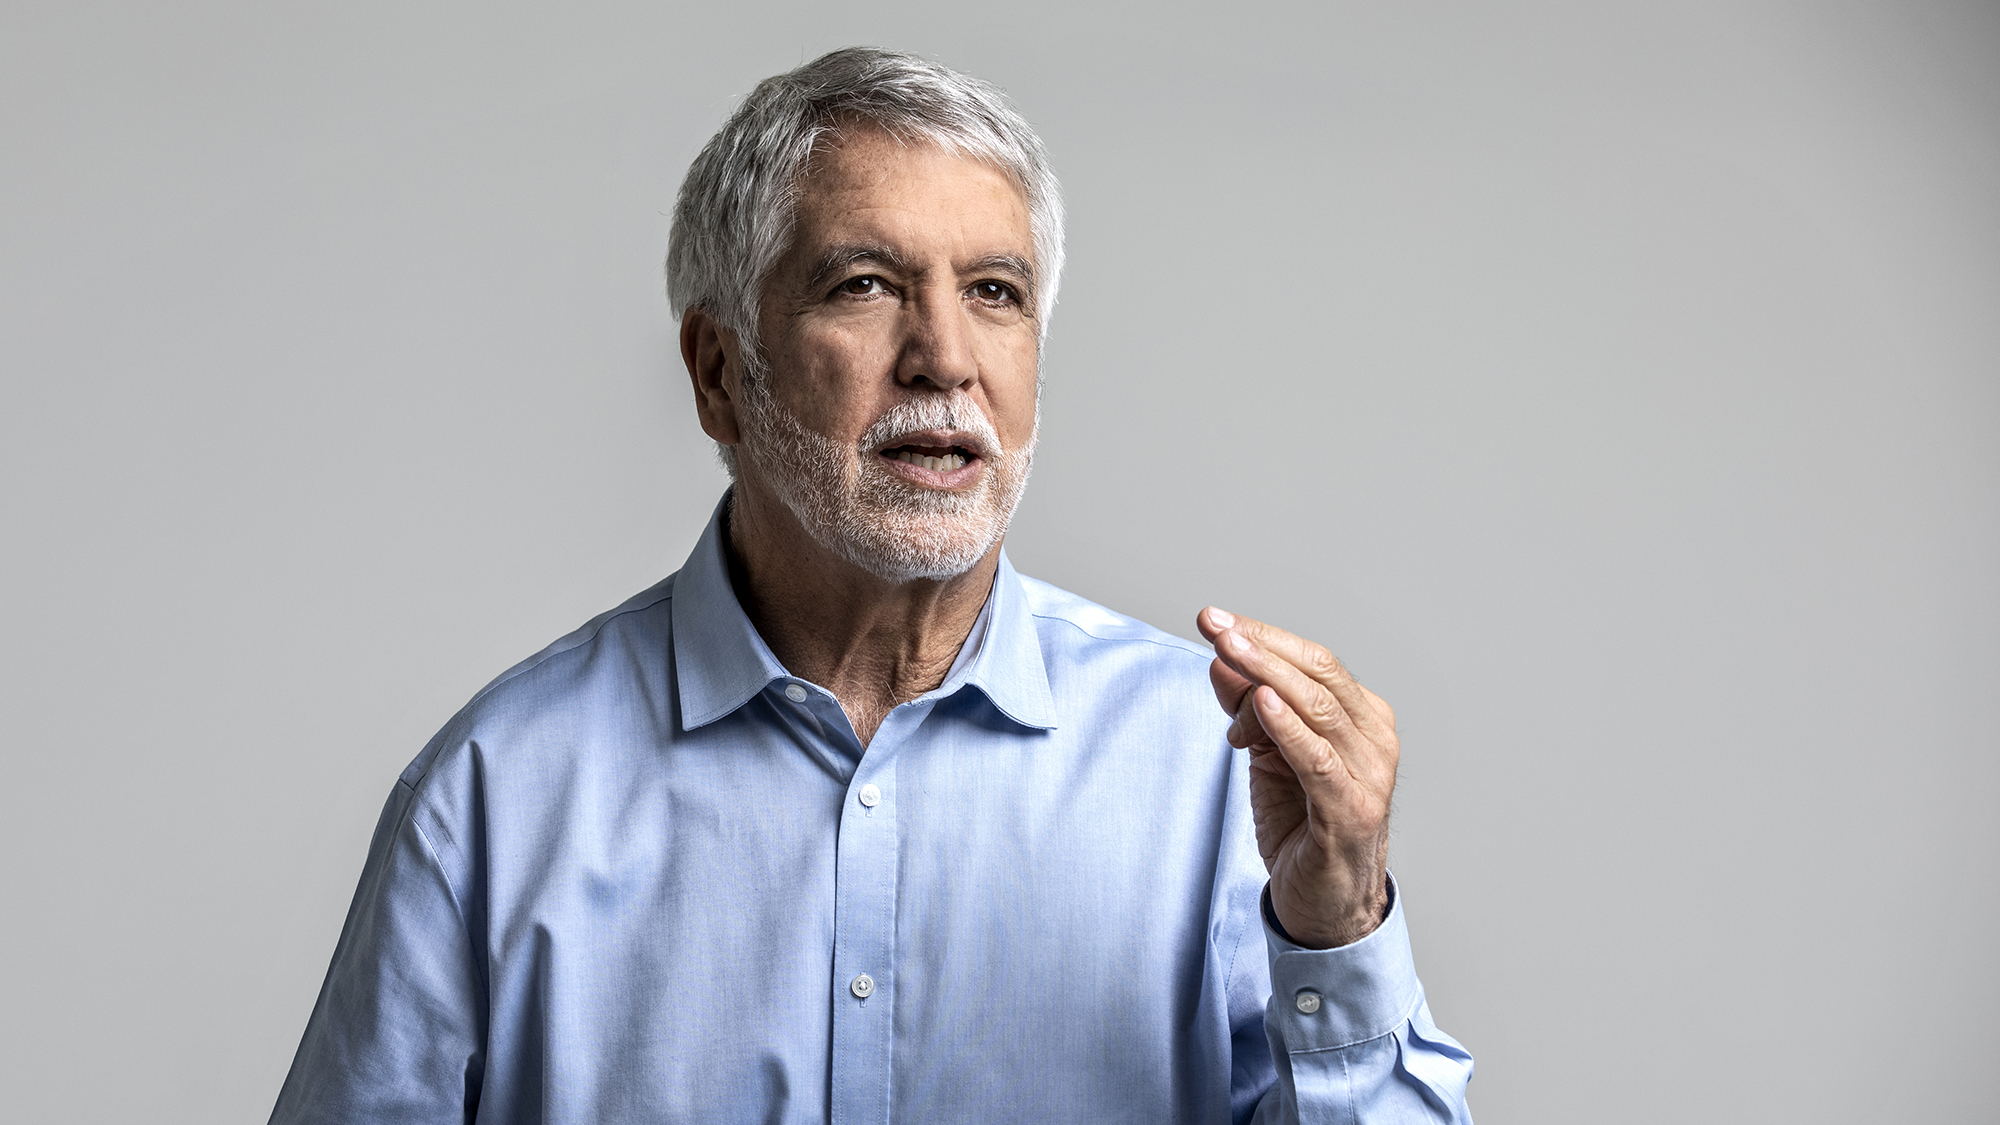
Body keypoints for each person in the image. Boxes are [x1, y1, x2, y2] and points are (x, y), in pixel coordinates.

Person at [270, 47, 1474, 1124]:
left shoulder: (1211, 768)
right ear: (718, 375)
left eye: (993, 294)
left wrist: (1336, 924)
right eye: (864, 284)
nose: (944, 358)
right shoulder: (494, 797)